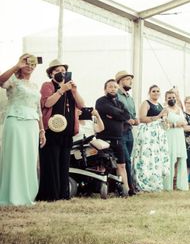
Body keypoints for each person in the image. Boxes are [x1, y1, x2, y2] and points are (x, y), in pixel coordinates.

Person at [0, 54, 46, 206]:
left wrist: (42, 130)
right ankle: (10, 195)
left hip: (31, 124)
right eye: (26, 63)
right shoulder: (13, 80)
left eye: (32, 64)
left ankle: (27, 195)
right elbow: (0, 81)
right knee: (14, 157)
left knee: (29, 158)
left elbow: (38, 109)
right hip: (15, 120)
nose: (29, 66)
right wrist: (16, 66)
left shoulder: (34, 86)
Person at [38, 59, 85, 201]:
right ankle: (51, 195)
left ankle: (63, 195)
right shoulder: (48, 85)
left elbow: (82, 105)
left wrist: (74, 92)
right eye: (58, 71)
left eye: (63, 71)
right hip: (51, 131)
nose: (61, 73)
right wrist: (61, 90)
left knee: (64, 164)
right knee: (51, 164)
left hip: (67, 132)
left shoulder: (70, 88)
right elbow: (46, 103)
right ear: (51, 73)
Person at [95, 79, 131, 196]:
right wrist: (118, 115)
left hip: (118, 138)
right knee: (103, 165)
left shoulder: (120, 103)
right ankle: (102, 189)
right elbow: (111, 111)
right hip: (104, 139)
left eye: (115, 87)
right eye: (110, 87)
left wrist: (115, 115)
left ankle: (126, 190)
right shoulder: (101, 101)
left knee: (122, 164)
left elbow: (126, 115)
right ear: (105, 89)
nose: (113, 89)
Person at [132, 85, 170, 192]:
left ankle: (155, 182)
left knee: (156, 157)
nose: (156, 93)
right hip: (148, 133)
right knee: (146, 157)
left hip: (158, 135)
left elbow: (163, 120)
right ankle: (143, 182)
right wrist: (158, 116)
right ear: (149, 92)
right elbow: (142, 118)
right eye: (153, 91)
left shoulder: (160, 105)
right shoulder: (146, 103)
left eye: (158, 91)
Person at [115, 71, 138, 196]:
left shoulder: (130, 98)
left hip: (129, 131)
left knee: (129, 158)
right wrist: (126, 119)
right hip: (120, 132)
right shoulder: (116, 96)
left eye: (131, 79)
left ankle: (128, 186)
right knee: (125, 160)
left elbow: (133, 115)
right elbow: (116, 113)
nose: (130, 81)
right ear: (121, 81)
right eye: (128, 79)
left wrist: (135, 119)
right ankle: (129, 188)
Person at [163, 88, 188, 192]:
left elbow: (185, 121)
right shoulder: (165, 110)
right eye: (169, 98)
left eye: (173, 97)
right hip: (170, 135)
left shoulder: (180, 109)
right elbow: (164, 124)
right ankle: (168, 185)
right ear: (166, 99)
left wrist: (183, 123)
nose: (172, 99)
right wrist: (176, 124)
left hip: (180, 136)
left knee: (180, 158)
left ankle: (181, 184)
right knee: (171, 158)